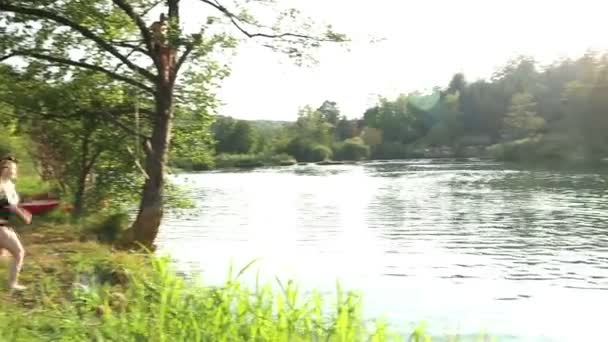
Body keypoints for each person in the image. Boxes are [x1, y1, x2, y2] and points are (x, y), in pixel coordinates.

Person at [0, 155, 32, 291]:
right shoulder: (1, 185)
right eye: (11, 167)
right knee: (19, 252)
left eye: (14, 167)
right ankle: (12, 285)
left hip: (4, 225)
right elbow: (8, 205)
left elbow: (10, 205)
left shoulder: (9, 185)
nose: (14, 170)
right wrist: (22, 214)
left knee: (3, 255)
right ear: (4, 168)